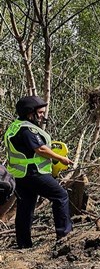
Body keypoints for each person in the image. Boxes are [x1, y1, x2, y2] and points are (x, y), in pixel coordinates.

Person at [4, 95, 74, 248]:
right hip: (33, 173)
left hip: (19, 175)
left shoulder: (14, 126)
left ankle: (24, 245)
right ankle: (64, 235)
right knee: (60, 196)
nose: (43, 115)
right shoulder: (27, 129)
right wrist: (60, 158)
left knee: (26, 207)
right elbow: (40, 149)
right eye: (40, 112)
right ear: (30, 112)